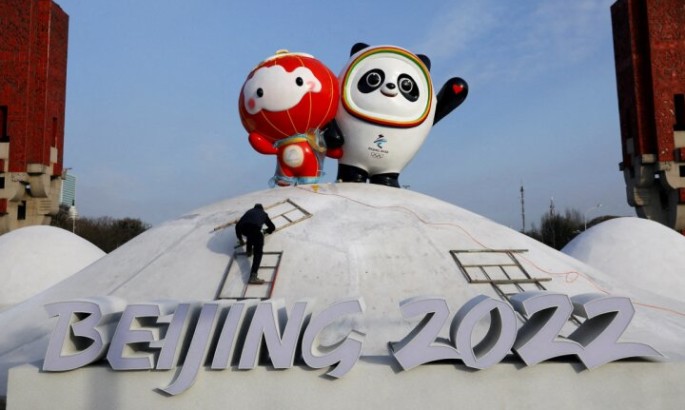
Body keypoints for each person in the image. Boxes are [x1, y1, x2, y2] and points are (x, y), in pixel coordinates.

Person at [235, 203, 276, 284]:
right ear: (262, 209)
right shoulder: (263, 214)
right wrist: (266, 231)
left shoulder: (248, 212)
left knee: (250, 234)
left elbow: (237, 226)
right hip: (254, 230)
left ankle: (249, 251)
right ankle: (253, 276)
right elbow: (272, 227)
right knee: (258, 252)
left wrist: (240, 239)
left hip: (243, 229)